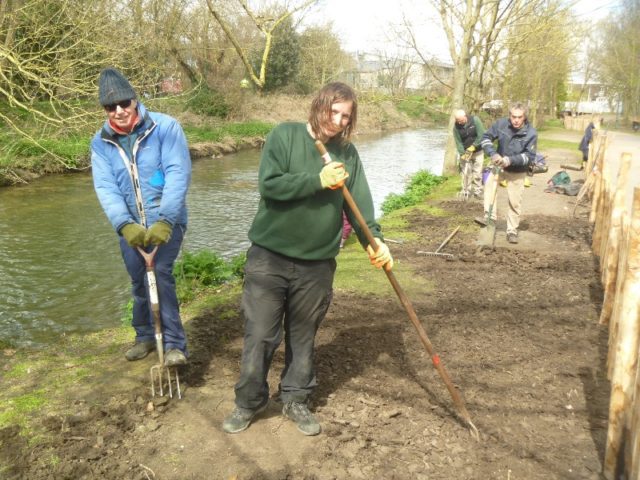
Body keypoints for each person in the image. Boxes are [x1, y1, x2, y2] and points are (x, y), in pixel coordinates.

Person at [222, 82, 393, 436]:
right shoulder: (284, 136)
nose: (338, 120)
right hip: (269, 259)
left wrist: (374, 241)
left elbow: (359, 205)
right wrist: (316, 180)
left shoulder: (347, 154)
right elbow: (270, 185)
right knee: (259, 335)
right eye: (334, 110)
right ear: (320, 105)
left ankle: (296, 398)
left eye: (345, 115)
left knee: (303, 336)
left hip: (317, 264)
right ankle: (249, 401)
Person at [90, 68, 191, 367]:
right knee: (138, 280)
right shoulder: (101, 142)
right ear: (105, 110)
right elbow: (106, 187)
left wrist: (166, 220)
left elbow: (177, 173)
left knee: (159, 275)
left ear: (134, 100)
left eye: (124, 103)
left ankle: (174, 345)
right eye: (111, 107)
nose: (119, 111)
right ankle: (145, 336)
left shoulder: (165, 128)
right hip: (131, 225)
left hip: (167, 220)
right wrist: (124, 224)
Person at [477, 102, 538, 244]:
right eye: (513, 116)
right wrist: (493, 154)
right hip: (498, 165)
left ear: (524, 117)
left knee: (515, 201)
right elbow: (485, 138)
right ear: (509, 115)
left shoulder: (531, 133)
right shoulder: (501, 124)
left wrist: (509, 160)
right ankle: (490, 219)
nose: (516, 120)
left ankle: (511, 230)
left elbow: (529, 157)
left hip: (517, 170)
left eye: (519, 117)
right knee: (489, 186)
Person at [453, 109, 485, 200]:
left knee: (477, 172)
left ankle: (478, 191)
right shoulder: (456, 127)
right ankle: (466, 190)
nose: (459, 122)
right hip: (466, 152)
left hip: (478, 151)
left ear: (465, 116)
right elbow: (458, 142)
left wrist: (474, 146)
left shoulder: (475, 120)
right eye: (457, 120)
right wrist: (462, 153)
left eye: (461, 120)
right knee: (465, 172)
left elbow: (481, 135)